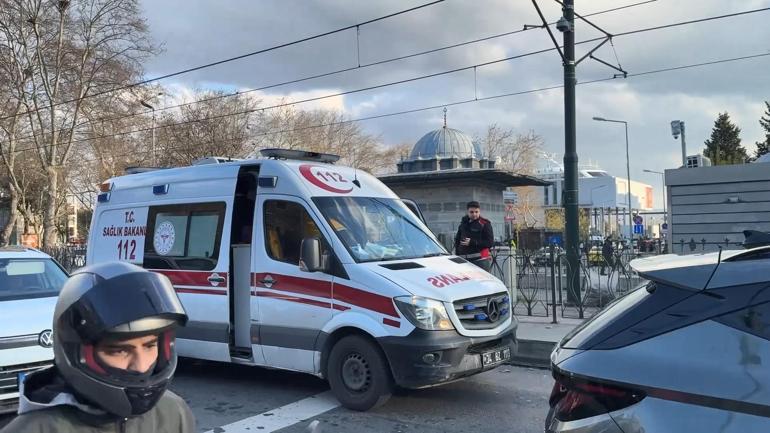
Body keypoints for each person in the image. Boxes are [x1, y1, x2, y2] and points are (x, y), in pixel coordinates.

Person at [1, 262, 194, 433]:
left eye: (150, 345)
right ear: (80, 354)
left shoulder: (173, 412)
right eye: (120, 350)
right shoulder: (34, 429)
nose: (141, 366)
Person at [454, 201, 494, 271]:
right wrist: (457, 255)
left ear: (479, 212)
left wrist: (472, 242)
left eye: (476, 212)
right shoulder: (463, 223)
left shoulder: (485, 224)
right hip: (463, 261)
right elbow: (457, 240)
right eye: (471, 212)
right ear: (468, 212)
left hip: (480, 261)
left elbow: (490, 243)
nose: (474, 214)